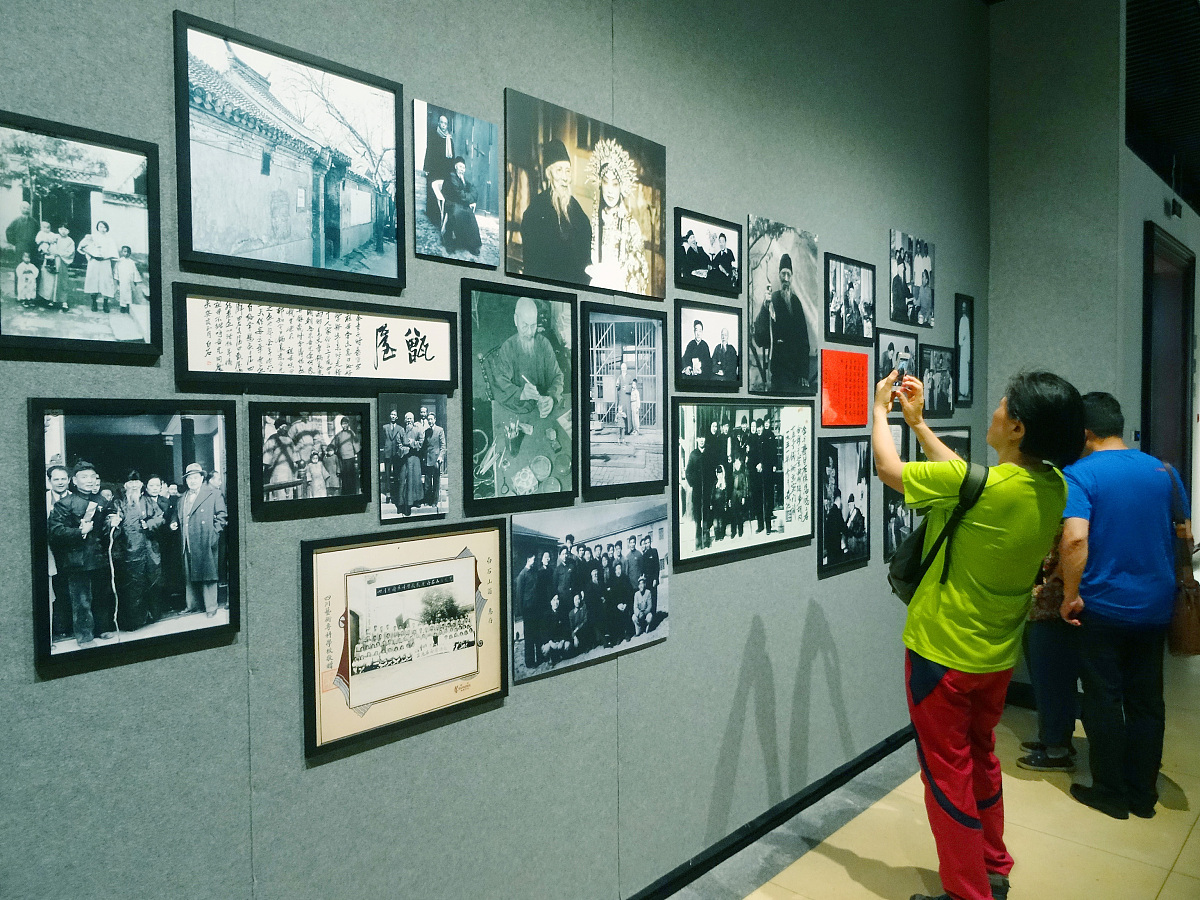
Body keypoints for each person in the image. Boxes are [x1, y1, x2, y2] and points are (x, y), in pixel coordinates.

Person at [872, 368, 1084, 900]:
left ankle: (968, 892)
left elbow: (886, 468)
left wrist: (879, 411)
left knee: (946, 777)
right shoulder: (1054, 486)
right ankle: (993, 865)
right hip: (996, 656)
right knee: (982, 759)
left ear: (1017, 427)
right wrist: (918, 424)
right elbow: (971, 480)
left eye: (1002, 404)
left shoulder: (990, 487)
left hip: (940, 653)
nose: (995, 409)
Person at [1058, 392, 1189, 820]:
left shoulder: (1079, 475)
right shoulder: (1164, 472)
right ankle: (1143, 795)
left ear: (1085, 432)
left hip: (1103, 605)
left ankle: (1111, 793)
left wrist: (1068, 595)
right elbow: (1183, 534)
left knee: (1103, 698)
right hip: (1155, 604)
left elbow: (1076, 539)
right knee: (1148, 701)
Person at [47, 460, 120, 644]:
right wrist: (79, 532)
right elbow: (55, 532)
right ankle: (85, 637)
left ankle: (103, 629)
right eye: (84, 477)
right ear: (74, 480)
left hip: (99, 557)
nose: (89, 480)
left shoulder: (101, 500)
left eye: (92, 477)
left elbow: (107, 529)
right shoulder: (65, 504)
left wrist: (114, 523)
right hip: (76, 560)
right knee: (82, 601)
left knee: (102, 596)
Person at [518, 139, 591, 284]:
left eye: (567, 171)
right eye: (559, 170)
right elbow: (533, 263)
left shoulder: (576, 209)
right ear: (549, 174)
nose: (565, 178)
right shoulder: (537, 209)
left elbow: (585, 254)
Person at [586, 138, 648, 294]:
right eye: (606, 182)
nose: (610, 190)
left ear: (622, 187)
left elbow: (640, 271)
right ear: (600, 183)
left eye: (615, 184)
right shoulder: (593, 223)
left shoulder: (631, 226)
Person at [490, 296, 564, 419]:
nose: (530, 332)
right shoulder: (508, 348)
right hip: (518, 409)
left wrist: (551, 398)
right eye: (525, 325)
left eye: (533, 325)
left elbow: (557, 376)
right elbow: (500, 383)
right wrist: (521, 393)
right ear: (516, 320)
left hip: (542, 409)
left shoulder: (543, 344)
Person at [111, 470, 165, 629]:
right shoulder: (119, 502)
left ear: (141, 486)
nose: (134, 487)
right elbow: (110, 520)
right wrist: (113, 522)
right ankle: (135, 621)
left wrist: (149, 524)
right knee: (133, 585)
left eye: (137, 484)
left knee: (152, 581)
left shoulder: (149, 501)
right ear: (126, 486)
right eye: (131, 485)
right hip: (129, 550)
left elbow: (160, 517)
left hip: (149, 549)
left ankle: (152, 616)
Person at [752, 253, 811, 392]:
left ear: (792, 277)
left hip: (796, 368)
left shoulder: (796, 303)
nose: (786, 278)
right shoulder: (772, 299)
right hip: (779, 367)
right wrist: (765, 308)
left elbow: (804, 339)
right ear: (779, 276)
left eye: (788, 275)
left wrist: (803, 373)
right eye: (783, 274)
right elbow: (761, 338)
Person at [179, 462, 228, 617]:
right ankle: (192, 605)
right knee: (189, 574)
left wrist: (214, 533)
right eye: (189, 479)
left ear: (201, 478)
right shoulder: (182, 498)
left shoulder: (213, 493)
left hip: (205, 539)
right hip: (187, 540)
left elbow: (222, 516)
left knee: (208, 574)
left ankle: (211, 607)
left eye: (195, 477)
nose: (192, 481)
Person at [441, 157, 482, 254]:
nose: (462, 169)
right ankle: (449, 242)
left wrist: (470, 197)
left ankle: (471, 244)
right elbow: (459, 194)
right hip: (451, 202)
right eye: (460, 167)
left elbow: (473, 190)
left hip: (460, 202)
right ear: (455, 167)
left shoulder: (462, 178)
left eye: (463, 168)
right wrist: (470, 197)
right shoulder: (452, 176)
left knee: (470, 215)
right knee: (457, 214)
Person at [76, 220, 118, 313]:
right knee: (93, 281)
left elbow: (113, 252)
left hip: (105, 262)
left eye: (104, 227)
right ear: (97, 228)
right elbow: (81, 247)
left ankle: (105, 303)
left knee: (106, 282)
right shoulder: (92, 237)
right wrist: (90, 254)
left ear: (107, 228)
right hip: (94, 262)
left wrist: (107, 257)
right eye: (100, 226)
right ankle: (94, 302)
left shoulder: (110, 239)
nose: (102, 229)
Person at [423, 112, 455, 225]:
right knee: (432, 190)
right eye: (441, 122)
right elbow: (429, 151)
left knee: (443, 191)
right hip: (434, 168)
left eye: (445, 123)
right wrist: (426, 167)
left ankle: (440, 216)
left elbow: (452, 156)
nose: (443, 125)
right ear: (438, 123)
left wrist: (452, 170)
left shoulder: (449, 138)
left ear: (447, 125)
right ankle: (431, 214)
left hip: (445, 170)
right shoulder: (434, 135)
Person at [40, 224, 76, 310]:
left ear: (68, 231)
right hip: (51, 260)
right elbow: (45, 244)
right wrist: (47, 250)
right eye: (61, 229)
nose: (63, 231)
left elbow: (70, 253)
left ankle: (64, 301)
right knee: (50, 280)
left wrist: (58, 253)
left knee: (62, 281)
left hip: (62, 262)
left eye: (65, 229)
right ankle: (51, 300)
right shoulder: (54, 237)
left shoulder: (70, 241)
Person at [262, 418, 299, 501]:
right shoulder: (273, 439)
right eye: (282, 427)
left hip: (289, 470)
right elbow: (267, 456)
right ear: (278, 428)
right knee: (278, 493)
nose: (284, 429)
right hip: (276, 471)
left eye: (285, 427)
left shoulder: (290, 440)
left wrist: (295, 463)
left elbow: (295, 455)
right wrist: (266, 468)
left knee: (288, 492)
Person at [686, 432, 711, 550]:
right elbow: (688, 472)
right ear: (697, 440)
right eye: (700, 438)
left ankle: (706, 541)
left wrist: (711, 484)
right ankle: (698, 541)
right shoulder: (693, 455)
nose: (702, 440)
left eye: (703, 438)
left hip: (706, 490)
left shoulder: (708, 453)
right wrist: (693, 483)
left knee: (706, 515)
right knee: (697, 516)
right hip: (697, 491)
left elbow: (713, 471)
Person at [395, 412, 424, 516]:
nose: (408, 420)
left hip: (415, 459)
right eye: (407, 418)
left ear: (413, 419)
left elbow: (421, 443)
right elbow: (398, 443)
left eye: (410, 418)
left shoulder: (418, 430)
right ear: (404, 420)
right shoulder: (401, 431)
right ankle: (403, 504)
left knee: (415, 480)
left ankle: (415, 501)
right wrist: (404, 449)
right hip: (404, 459)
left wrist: (413, 443)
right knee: (403, 480)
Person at [515, 553, 539, 670]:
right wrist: (522, 612)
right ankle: (529, 662)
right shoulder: (522, 575)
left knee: (536, 634)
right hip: (528, 610)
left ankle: (539, 658)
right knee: (529, 637)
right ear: (528, 559)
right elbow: (519, 596)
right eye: (533, 559)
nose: (534, 561)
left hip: (536, 609)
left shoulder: (534, 572)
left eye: (535, 559)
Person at [332, 416, 362, 496]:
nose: (344, 425)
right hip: (342, 459)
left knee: (350, 476)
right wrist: (330, 449)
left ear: (348, 424)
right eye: (343, 424)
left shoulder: (351, 433)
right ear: (341, 425)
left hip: (350, 458)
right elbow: (334, 444)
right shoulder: (339, 435)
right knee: (344, 476)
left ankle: (352, 492)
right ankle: (345, 493)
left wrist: (357, 454)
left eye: (345, 424)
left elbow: (356, 445)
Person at [422, 410, 445, 509]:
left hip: (436, 460)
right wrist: (423, 457)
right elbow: (424, 446)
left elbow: (443, 446)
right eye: (428, 419)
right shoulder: (426, 431)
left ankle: (435, 501)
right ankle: (428, 500)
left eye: (431, 419)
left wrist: (440, 456)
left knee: (436, 481)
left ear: (435, 420)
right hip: (427, 459)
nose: (430, 421)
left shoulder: (440, 430)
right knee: (427, 481)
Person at [381, 408, 403, 507]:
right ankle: (388, 493)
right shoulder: (384, 427)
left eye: (395, 415)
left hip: (396, 454)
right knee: (387, 474)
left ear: (397, 417)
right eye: (392, 414)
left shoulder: (400, 428)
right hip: (387, 453)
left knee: (397, 473)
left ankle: (396, 493)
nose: (393, 416)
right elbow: (382, 440)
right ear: (390, 416)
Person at [113, 246, 143, 314]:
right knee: (122, 293)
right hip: (122, 280)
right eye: (125, 251)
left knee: (129, 293)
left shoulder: (131, 262)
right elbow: (116, 270)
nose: (126, 253)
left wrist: (135, 280)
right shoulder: (119, 261)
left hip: (129, 280)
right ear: (122, 252)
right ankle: (122, 306)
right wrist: (117, 278)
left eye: (128, 252)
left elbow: (135, 271)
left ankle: (128, 306)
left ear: (130, 253)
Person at [824, 488, 847, 565]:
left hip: (830, 545)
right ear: (839, 499)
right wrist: (850, 532)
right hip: (836, 544)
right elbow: (843, 527)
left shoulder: (831, 511)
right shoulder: (837, 512)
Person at [640, 534, 660, 617]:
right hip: (647, 580)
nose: (647, 544)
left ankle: (654, 616)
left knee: (654, 598)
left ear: (650, 543)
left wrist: (655, 579)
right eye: (646, 543)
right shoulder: (644, 555)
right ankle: (649, 617)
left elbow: (657, 567)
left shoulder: (654, 551)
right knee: (648, 599)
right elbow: (643, 569)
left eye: (648, 542)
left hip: (653, 580)